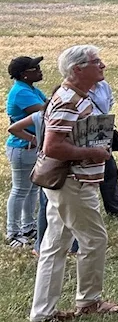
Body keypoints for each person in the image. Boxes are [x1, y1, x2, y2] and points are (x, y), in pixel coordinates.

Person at [30, 45, 118, 322]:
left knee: (54, 245)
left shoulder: (77, 96)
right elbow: (53, 146)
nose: (103, 65)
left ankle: (44, 313)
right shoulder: (68, 101)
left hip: (71, 183)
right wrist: (92, 153)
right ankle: (89, 301)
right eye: (97, 62)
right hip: (73, 183)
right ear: (77, 70)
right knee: (94, 239)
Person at [7, 55, 47, 249]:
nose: (40, 70)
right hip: (22, 147)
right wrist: (33, 138)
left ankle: (28, 227)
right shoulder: (21, 92)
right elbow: (45, 111)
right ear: (24, 74)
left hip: (31, 147)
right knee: (21, 190)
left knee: (32, 189)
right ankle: (13, 232)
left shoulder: (31, 89)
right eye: (35, 68)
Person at [87, 79, 118, 218]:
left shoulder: (103, 85)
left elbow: (110, 102)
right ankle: (88, 212)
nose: (102, 66)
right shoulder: (74, 90)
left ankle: (116, 210)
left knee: (110, 170)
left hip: (102, 131)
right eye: (96, 63)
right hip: (84, 133)